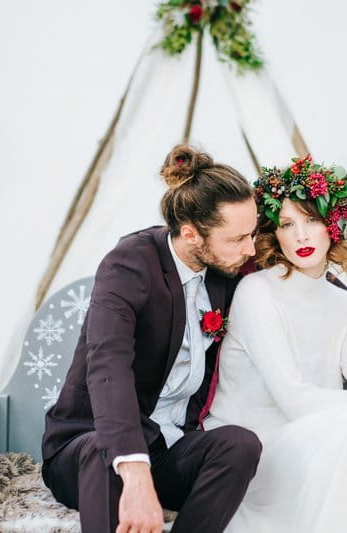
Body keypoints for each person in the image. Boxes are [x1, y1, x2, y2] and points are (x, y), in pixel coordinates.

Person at [205, 156, 347, 532]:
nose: (300, 236)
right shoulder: (257, 292)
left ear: (333, 225)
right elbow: (295, 399)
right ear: (273, 234)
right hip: (258, 449)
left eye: (311, 220)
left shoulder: (342, 303)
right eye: (286, 224)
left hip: (321, 438)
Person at [41, 145, 263, 533]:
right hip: (89, 448)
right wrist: (134, 467)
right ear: (192, 234)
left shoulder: (225, 264)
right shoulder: (130, 263)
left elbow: (296, 277)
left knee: (240, 445)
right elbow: (107, 364)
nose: (251, 248)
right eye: (238, 239)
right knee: (103, 451)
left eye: (253, 233)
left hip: (170, 443)